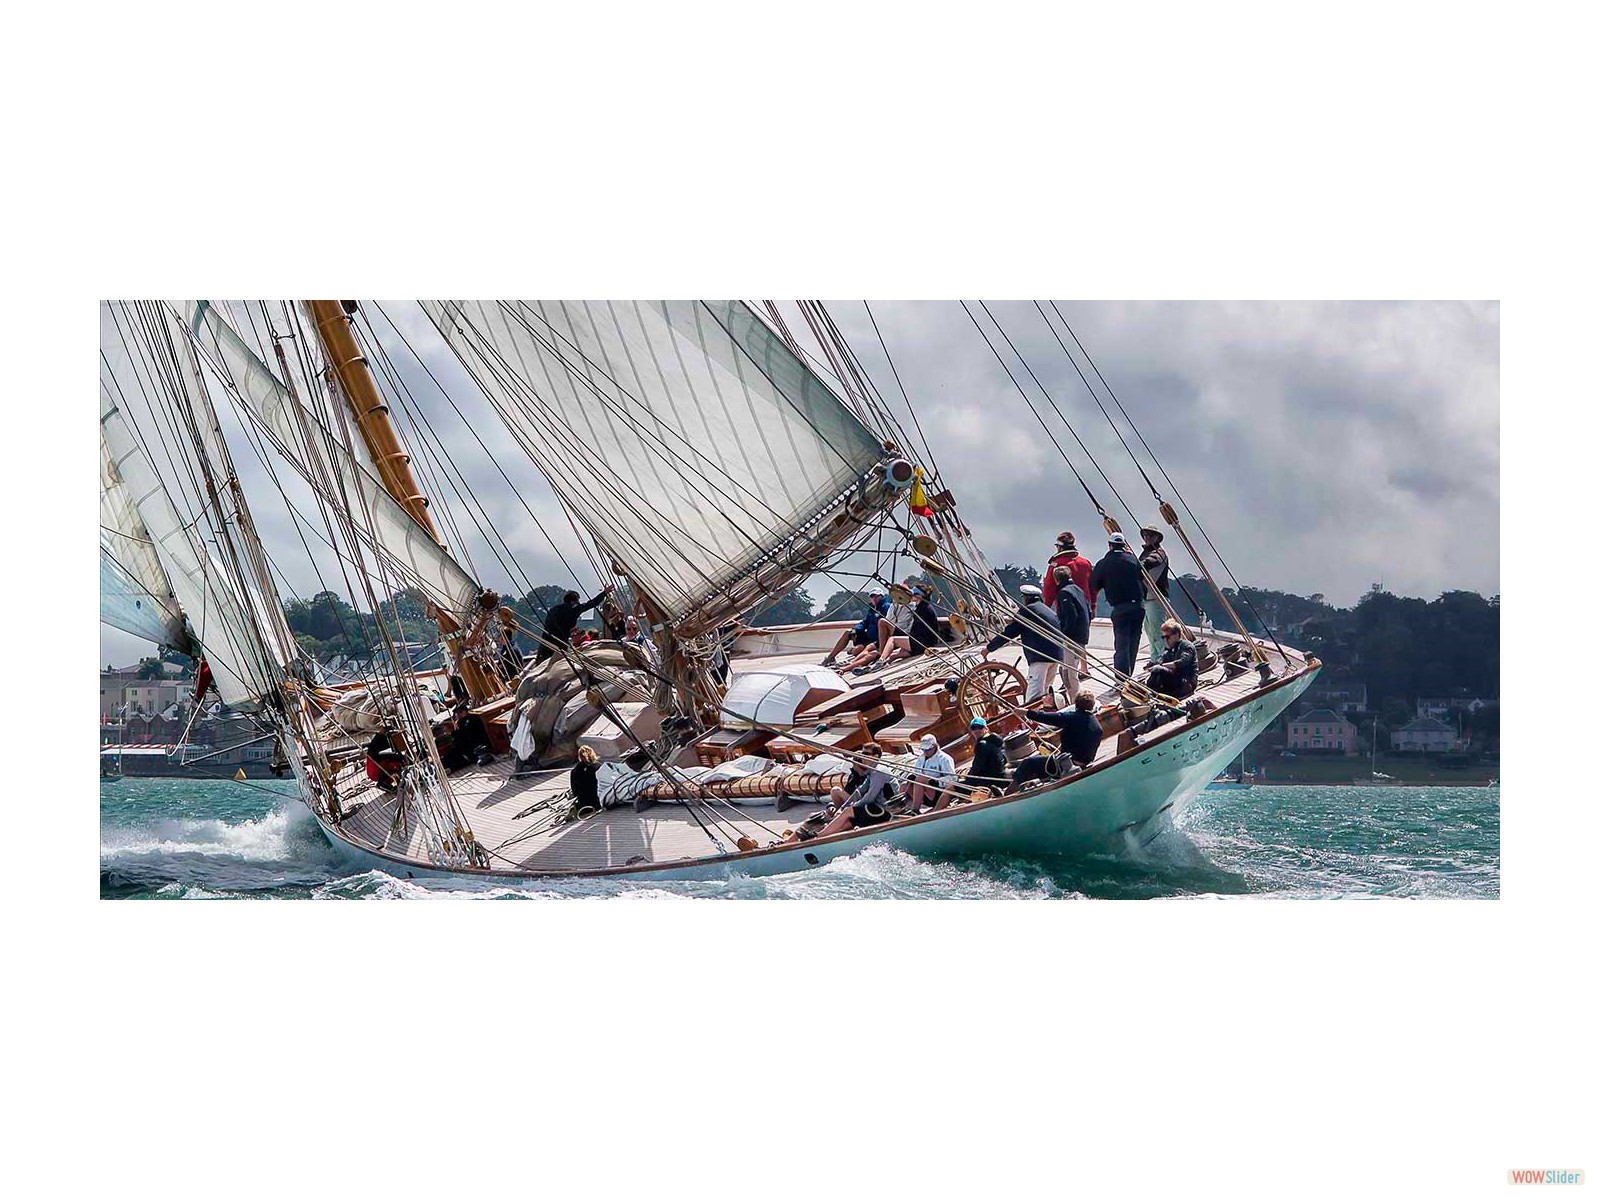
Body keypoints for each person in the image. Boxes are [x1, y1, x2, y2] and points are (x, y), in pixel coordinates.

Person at [984, 583, 1065, 704]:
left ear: (1026, 598)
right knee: (1046, 692)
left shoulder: (1027, 611)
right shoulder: (1048, 610)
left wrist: (989, 649)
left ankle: (1031, 720)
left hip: (1040, 658)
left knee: (1035, 693)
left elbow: (1010, 633)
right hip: (1057, 656)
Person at [1090, 532, 1145, 681]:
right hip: (1138, 606)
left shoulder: (1104, 563)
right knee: (1134, 642)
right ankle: (1129, 674)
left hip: (1120, 608)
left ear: (1110, 545)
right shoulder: (1133, 560)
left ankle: (1122, 679)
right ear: (1124, 545)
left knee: (1121, 644)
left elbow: (1094, 585)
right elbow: (1142, 578)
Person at [817, 742, 898, 836]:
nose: (862, 757)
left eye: (866, 754)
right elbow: (860, 790)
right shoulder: (871, 771)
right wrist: (843, 807)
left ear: (875, 756)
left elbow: (870, 797)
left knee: (849, 812)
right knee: (848, 821)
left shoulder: (879, 772)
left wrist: (852, 807)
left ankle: (819, 836)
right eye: (862, 754)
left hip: (886, 811)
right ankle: (821, 837)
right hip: (876, 809)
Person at [534, 585, 615, 663]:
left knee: (541, 663)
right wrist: (604, 593)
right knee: (560, 664)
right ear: (573, 601)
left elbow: (548, 624)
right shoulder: (575, 609)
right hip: (560, 642)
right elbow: (591, 604)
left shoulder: (553, 609)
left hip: (546, 640)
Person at [1027, 686, 1105, 767]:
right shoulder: (1096, 724)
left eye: (1050, 698)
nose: (1047, 696)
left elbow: (1046, 717)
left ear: (1076, 704)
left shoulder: (1071, 718)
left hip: (1067, 763)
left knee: (1029, 763)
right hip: (1084, 763)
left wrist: (1026, 713)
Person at [1051, 564, 1092, 700]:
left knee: (1068, 673)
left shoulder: (1064, 593)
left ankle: (1075, 701)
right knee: (1068, 671)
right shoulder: (1078, 590)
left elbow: (1070, 617)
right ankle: (1074, 697)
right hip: (1081, 637)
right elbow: (1089, 611)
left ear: (1056, 580)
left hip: (1071, 639)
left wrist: (1062, 635)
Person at [823, 589, 887, 671]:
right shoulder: (871, 609)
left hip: (877, 639)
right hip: (867, 637)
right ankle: (831, 657)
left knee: (856, 651)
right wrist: (856, 629)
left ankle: (853, 660)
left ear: (881, 597)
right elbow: (865, 622)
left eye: (877, 596)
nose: (874, 598)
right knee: (849, 632)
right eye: (872, 596)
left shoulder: (885, 607)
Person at [1138, 522, 1171, 667]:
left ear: (1157, 538)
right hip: (1146, 598)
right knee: (1149, 630)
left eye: (1150, 535)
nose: (1147, 538)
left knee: (1158, 630)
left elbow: (1151, 562)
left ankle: (1163, 658)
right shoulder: (1145, 553)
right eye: (1145, 535)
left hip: (1156, 598)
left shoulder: (1160, 554)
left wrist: (1139, 564)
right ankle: (1154, 657)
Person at [1041, 531, 1096, 612]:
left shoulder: (1056, 564)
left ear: (1060, 548)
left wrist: (1046, 608)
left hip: (1065, 608)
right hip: (1085, 608)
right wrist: (1093, 606)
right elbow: (1092, 587)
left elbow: (1049, 588)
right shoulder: (1086, 563)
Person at [1147, 618, 1199, 699]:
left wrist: (1161, 666)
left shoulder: (1187, 646)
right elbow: (1160, 659)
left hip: (1186, 682)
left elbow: (1182, 662)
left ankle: (1152, 693)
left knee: (1159, 670)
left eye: (1167, 637)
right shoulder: (1168, 649)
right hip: (1175, 680)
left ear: (1176, 635)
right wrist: (1156, 665)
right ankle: (1149, 691)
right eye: (1163, 637)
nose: (1165, 640)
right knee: (1156, 672)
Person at [908, 732, 958, 812]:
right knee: (906, 783)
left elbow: (953, 779)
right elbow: (916, 773)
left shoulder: (945, 759)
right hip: (924, 793)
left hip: (939, 792)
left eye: (928, 749)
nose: (926, 752)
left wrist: (935, 781)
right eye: (923, 749)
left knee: (920, 780)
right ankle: (903, 807)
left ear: (935, 746)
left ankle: (915, 810)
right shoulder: (920, 760)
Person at [962, 716, 1010, 796]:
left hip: (989, 782)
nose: (976, 730)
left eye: (980, 727)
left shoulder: (981, 745)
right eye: (974, 728)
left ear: (986, 728)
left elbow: (976, 768)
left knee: (952, 788)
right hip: (1001, 778)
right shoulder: (997, 741)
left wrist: (966, 778)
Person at [570, 745, 601, 814]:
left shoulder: (574, 771)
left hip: (583, 803)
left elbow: (574, 791)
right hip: (597, 801)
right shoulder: (598, 767)